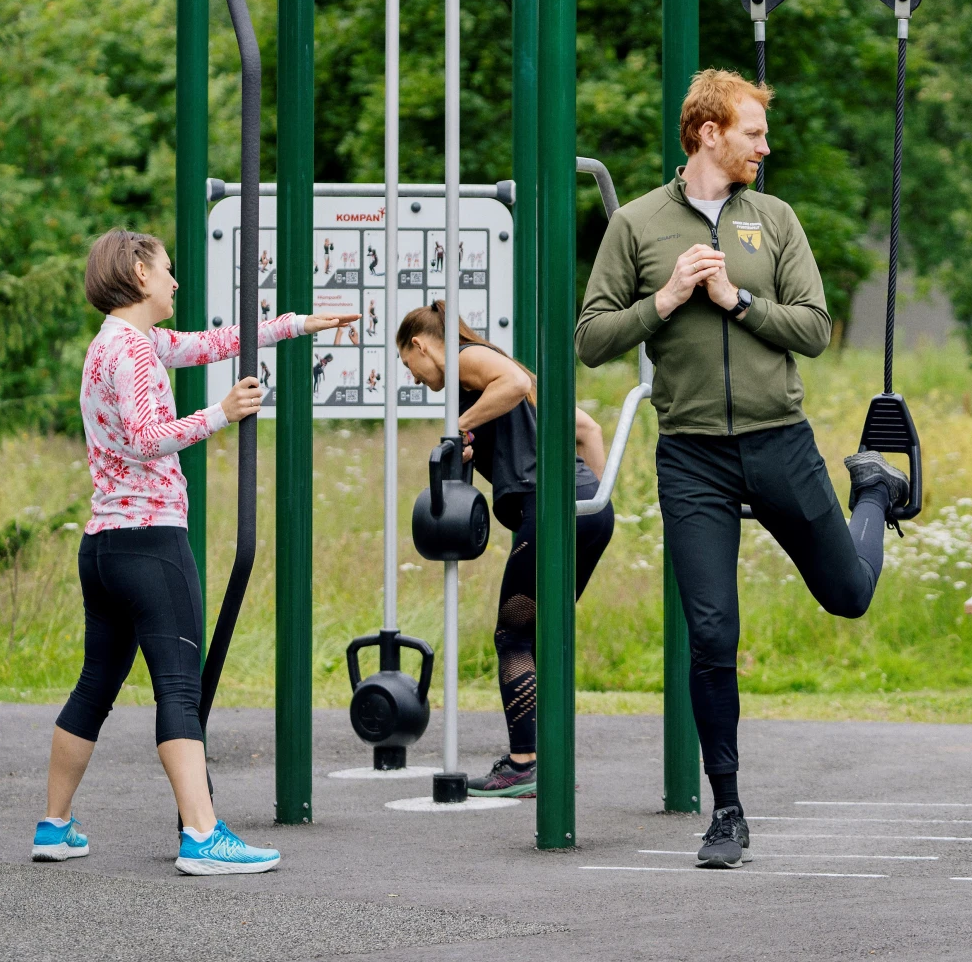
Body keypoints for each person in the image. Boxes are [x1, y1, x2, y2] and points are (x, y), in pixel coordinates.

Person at [575, 69, 910, 869]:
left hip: (779, 441)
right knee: (711, 631)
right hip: (692, 456)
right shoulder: (638, 224)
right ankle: (726, 809)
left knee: (850, 595)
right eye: (753, 132)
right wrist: (664, 301)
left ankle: (873, 491)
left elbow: (815, 328)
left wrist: (733, 300)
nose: (765, 145)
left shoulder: (776, 219)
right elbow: (590, 337)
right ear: (708, 132)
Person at [35, 227, 356, 875]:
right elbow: (144, 437)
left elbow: (215, 342)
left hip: (103, 546)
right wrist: (223, 414)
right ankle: (202, 836)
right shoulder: (131, 351)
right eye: (168, 270)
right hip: (151, 544)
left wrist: (297, 324)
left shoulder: (119, 343)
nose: (176, 281)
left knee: (96, 685)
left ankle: (54, 825)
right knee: (178, 687)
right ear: (138, 273)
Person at [396, 301, 615, 798]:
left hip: (552, 508)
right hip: (589, 510)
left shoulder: (464, 358)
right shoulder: (499, 377)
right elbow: (588, 430)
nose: (414, 376)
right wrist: (592, 497)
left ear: (420, 344)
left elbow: (511, 383)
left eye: (410, 366)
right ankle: (549, 757)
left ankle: (523, 762)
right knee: (541, 636)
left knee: (513, 637)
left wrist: (460, 426)